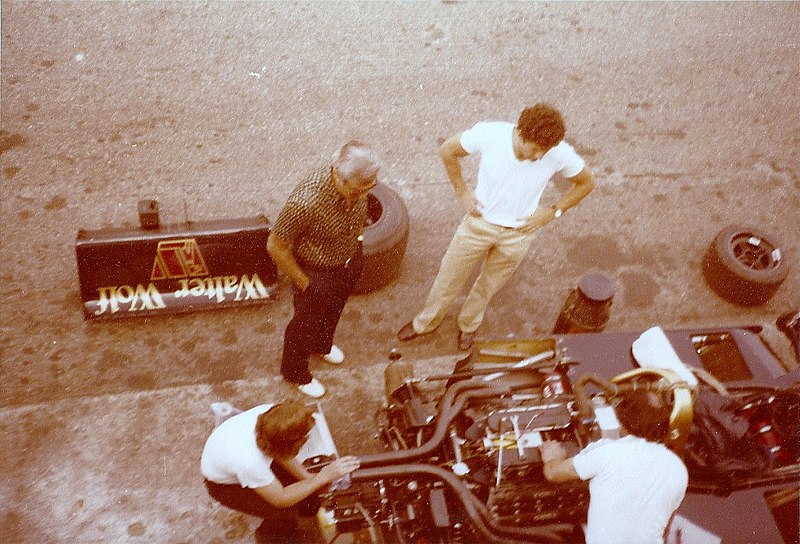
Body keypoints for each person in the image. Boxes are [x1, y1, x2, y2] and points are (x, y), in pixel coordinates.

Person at [398, 104, 595, 350]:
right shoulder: (490, 135)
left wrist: (553, 211)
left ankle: (468, 325)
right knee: (449, 278)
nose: (538, 157)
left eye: (544, 153)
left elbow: (587, 182)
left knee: (489, 285)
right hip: (479, 224)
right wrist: (462, 192)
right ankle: (425, 323)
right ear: (522, 133)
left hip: (519, 234)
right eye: (535, 150)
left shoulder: (558, 153)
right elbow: (448, 150)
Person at [268, 141, 380, 397]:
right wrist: (306, 283)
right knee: (304, 324)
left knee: (334, 310)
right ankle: (295, 372)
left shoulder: (360, 186)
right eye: (357, 191)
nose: (363, 195)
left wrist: (358, 243)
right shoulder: (306, 202)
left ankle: (322, 345)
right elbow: (276, 245)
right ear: (337, 176)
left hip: (348, 261)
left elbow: (359, 211)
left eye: (369, 188)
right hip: (315, 272)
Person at [539, 390, 688, 544]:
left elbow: (552, 473)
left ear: (622, 424)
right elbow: (664, 529)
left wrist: (552, 455)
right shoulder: (678, 469)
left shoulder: (606, 452)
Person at [201, 400, 360, 543]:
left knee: (305, 491)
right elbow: (280, 498)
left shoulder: (270, 415)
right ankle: (269, 536)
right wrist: (323, 476)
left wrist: (308, 477)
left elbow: (281, 452)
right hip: (222, 486)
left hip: (237, 458)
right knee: (285, 512)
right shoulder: (250, 461)